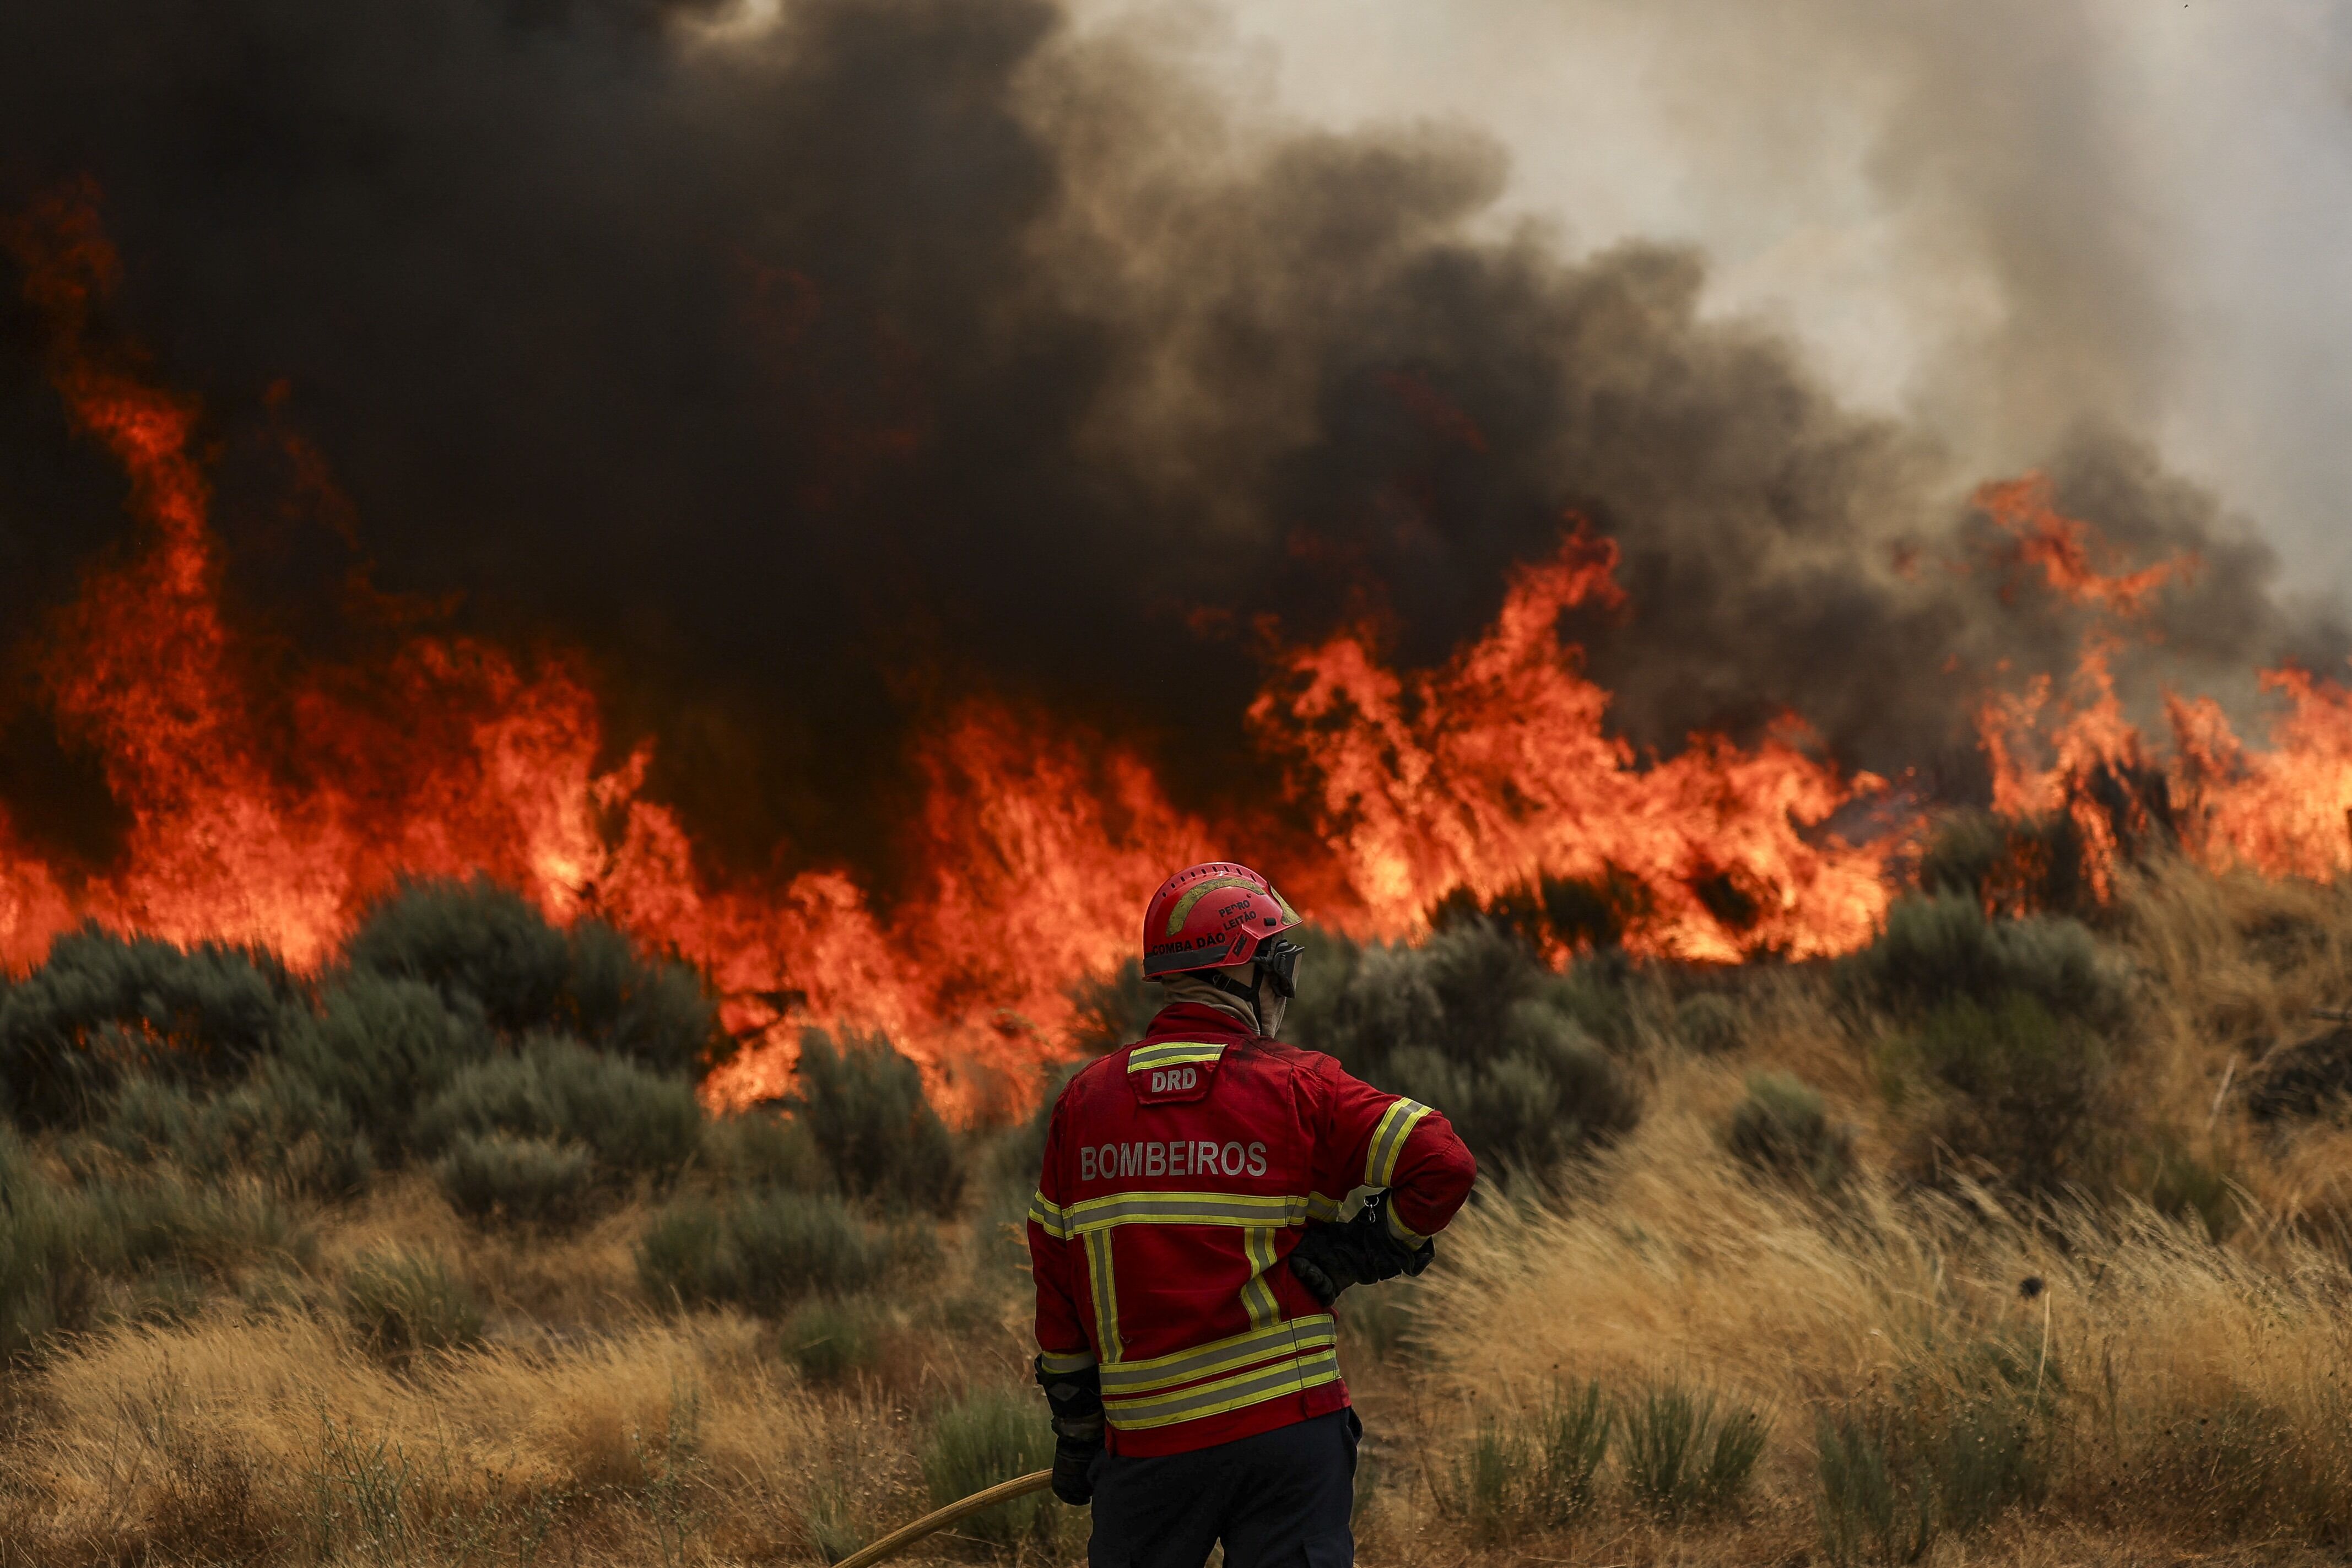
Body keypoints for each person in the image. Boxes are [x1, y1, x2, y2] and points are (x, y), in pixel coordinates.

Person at [1028, 861, 1478, 1568]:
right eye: (1281, 965)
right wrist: (1364, 1249)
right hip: (1287, 1433)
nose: (1285, 988)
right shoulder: (1300, 1087)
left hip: (1149, 1449)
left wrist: (1078, 1426)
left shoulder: (1084, 1104)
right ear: (1246, 970)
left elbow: (1057, 1282)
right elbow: (1443, 1161)